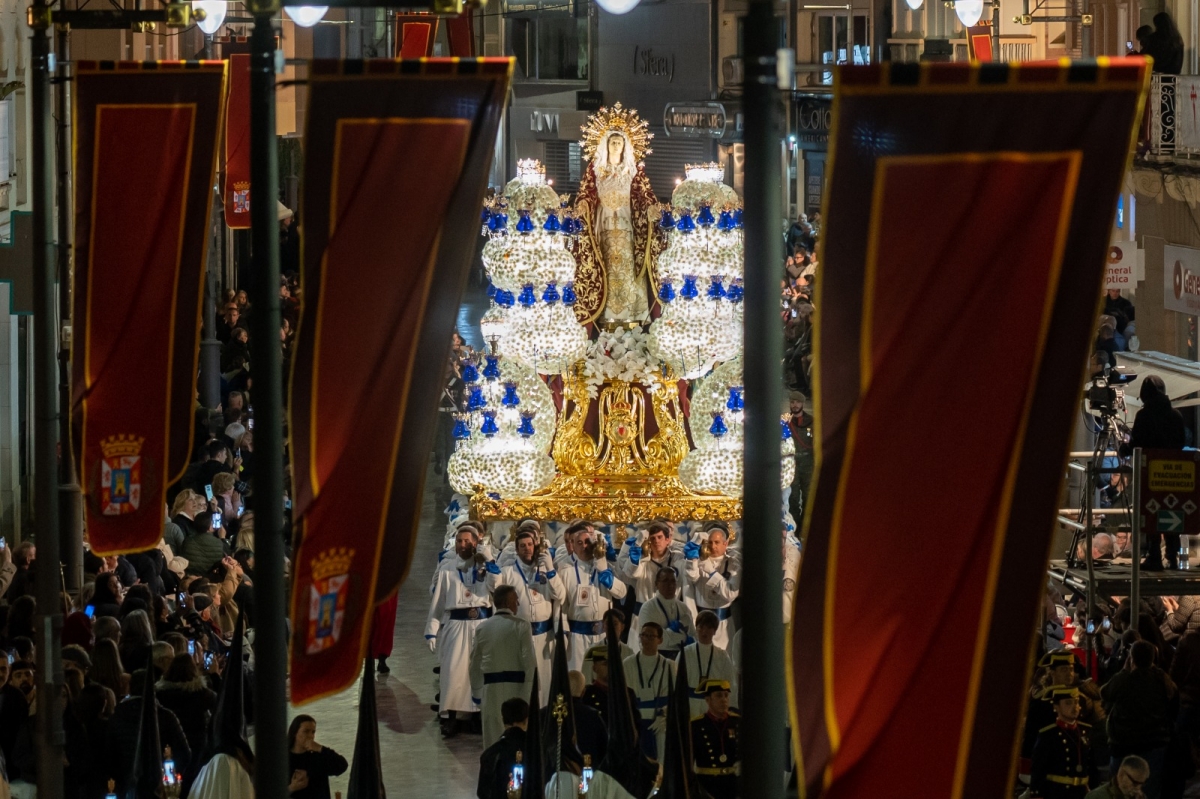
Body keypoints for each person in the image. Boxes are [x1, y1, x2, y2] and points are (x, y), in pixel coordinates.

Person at [427, 528, 497, 737]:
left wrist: (489, 563)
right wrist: (432, 629)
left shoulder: (485, 566)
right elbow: (438, 600)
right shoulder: (447, 567)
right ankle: (451, 717)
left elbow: (497, 587)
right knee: (453, 671)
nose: (462, 545)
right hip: (456, 624)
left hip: (482, 624)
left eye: (467, 541)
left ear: (476, 543)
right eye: (459, 541)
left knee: (480, 670)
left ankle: (478, 715)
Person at [487, 528, 565, 699]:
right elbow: (494, 589)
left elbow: (560, 595)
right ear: (516, 550)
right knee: (522, 680)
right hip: (518, 635)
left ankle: (543, 717)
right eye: (522, 546)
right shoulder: (508, 572)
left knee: (544, 682)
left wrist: (551, 571)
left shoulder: (545, 570)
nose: (527, 548)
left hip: (544, 635)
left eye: (530, 544)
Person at [1124, 376, 1187, 569]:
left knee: (1151, 512)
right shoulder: (1176, 416)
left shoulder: (1144, 416)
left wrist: (1124, 448)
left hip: (1149, 473)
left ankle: (1154, 556)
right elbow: (1182, 442)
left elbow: (1137, 443)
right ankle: (1172, 556)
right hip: (1174, 476)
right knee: (1172, 511)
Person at [1101, 641, 1177, 798]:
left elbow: (1105, 692)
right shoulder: (1162, 680)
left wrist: (1123, 671)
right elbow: (1174, 705)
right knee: (1148, 789)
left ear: (1131, 658)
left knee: (1119, 789)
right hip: (1154, 742)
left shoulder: (1124, 680)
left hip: (1123, 743)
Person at [469, 584, 536, 748]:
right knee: (519, 738)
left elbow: (475, 664)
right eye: (516, 600)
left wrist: (477, 693)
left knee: (493, 739)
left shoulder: (482, 628)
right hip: (518, 691)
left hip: (491, 691)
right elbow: (529, 661)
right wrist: (529, 693)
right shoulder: (522, 625)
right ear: (508, 603)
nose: (518, 604)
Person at [560, 525, 626, 672]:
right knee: (579, 677)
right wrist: (564, 634)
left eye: (588, 542)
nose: (584, 546)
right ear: (573, 547)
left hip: (603, 635)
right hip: (577, 638)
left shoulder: (605, 567)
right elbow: (562, 607)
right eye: (579, 543)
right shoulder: (566, 572)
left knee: (603, 677)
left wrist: (606, 576)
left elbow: (621, 593)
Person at [1031, 686, 1101, 798]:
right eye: (1068, 703)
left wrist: (1095, 791)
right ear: (1056, 707)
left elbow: (1092, 766)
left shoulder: (1085, 731)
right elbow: (1038, 770)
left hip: (1082, 793)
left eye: (1076, 702)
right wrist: (1037, 795)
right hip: (1058, 793)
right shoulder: (1048, 734)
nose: (1075, 707)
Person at [618, 521, 682, 639]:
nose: (656, 541)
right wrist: (634, 559)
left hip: (668, 615)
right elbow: (631, 573)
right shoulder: (643, 559)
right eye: (652, 538)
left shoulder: (676, 558)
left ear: (668, 540)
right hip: (643, 615)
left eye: (660, 537)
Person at [624, 621, 673, 766]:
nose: (646, 639)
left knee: (662, 764)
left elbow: (676, 698)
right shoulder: (628, 664)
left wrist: (666, 715)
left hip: (660, 723)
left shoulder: (669, 665)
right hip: (636, 722)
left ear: (660, 640)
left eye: (651, 636)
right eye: (643, 635)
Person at [682, 523, 739, 649]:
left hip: (724, 625)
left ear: (725, 543)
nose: (713, 546)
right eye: (710, 542)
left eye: (717, 542)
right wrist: (691, 561)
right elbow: (691, 577)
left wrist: (712, 573)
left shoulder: (733, 564)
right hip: (701, 623)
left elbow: (730, 593)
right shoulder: (699, 561)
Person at [682, 611, 738, 719]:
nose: (704, 632)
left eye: (709, 628)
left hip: (714, 707)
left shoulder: (722, 656)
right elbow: (677, 683)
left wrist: (731, 708)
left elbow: (730, 684)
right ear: (696, 628)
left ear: (715, 631)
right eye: (701, 627)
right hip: (689, 705)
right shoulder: (685, 653)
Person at [691, 679, 740, 799]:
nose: (724, 699)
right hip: (707, 785)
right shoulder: (696, 725)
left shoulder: (737, 722)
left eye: (726, 695)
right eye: (719, 696)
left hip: (733, 784)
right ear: (708, 700)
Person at [637, 567, 695, 659]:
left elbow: (693, 636)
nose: (670, 585)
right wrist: (683, 637)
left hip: (682, 659)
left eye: (673, 581)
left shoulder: (684, 608)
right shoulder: (648, 607)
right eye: (665, 581)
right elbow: (653, 641)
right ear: (657, 584)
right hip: (656, 659)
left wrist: (668, 634)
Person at [476, 697, 528, 799]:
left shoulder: (489, 755)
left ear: (503, 720)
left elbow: (482, 793)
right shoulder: (538, 752)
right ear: (526, 720)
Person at [287, 715, 348, 799]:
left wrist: (320, 748)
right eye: (306, 731)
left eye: (313, 732)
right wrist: (292, 788)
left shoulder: (318, 756)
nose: (310, 736)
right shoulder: (283, 759)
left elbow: (342, 766)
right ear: (295, 733)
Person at [1085, 754, 1150, 798]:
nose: (1138, 789)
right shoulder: (1097, 797)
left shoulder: (1139, 796)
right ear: (1121, 775)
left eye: (1141, 784)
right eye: (1134, 783)